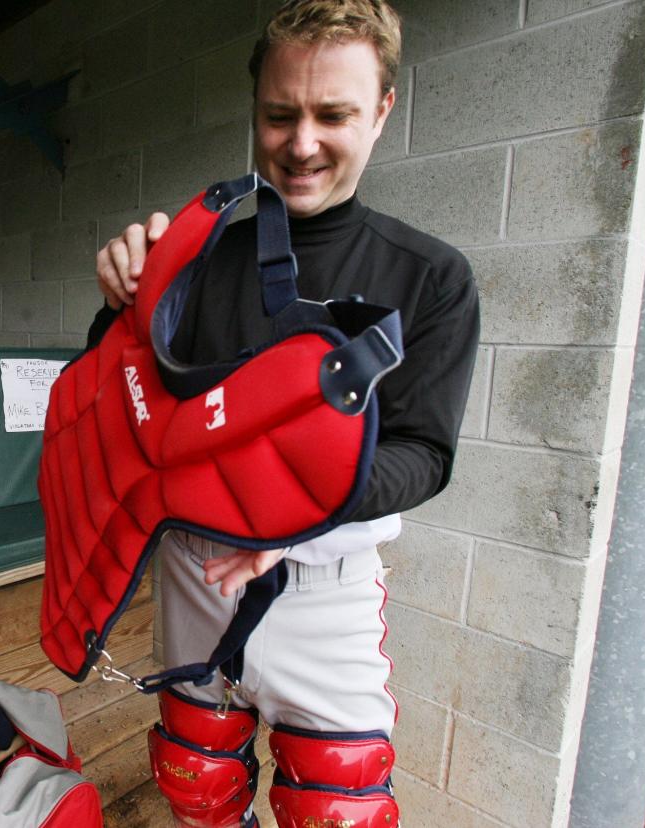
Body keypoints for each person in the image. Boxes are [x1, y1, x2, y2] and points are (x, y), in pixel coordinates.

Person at [86, 2, 480, 826]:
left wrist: (285, 511)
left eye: (332, 114)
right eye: (278, 115)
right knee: (197, 786)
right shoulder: (195, 262)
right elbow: (125, 412)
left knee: (336, 806)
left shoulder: (433, 278)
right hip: (196, 576)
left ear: (382, 110)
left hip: (323, 590)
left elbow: (423, 455)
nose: (301, 144)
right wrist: (125, 305)